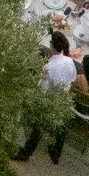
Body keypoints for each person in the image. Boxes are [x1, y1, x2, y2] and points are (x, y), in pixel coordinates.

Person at [16, 33, 79, 164]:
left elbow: (42, 89)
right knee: (59, 130)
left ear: (52, 47)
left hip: (51, 100)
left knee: (38, 129)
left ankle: (26, 153)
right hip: (64, 99)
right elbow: (72, 80)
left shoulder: (49, 67)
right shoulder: (69, 61)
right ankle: (55, 154)